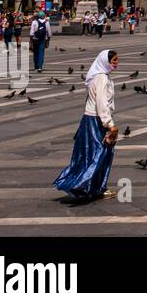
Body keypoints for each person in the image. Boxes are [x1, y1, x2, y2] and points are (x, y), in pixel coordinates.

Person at [54, 49, 120, 202]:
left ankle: (89, 186)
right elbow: (101, 103)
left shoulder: (96, 77)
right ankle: (93, 188)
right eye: (114, 60)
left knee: (88, 155)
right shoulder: (102, 78)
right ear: (105, 61)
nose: (116, 63)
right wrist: (110, 124)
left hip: (88, 119)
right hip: (97, 121)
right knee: (100, 155)